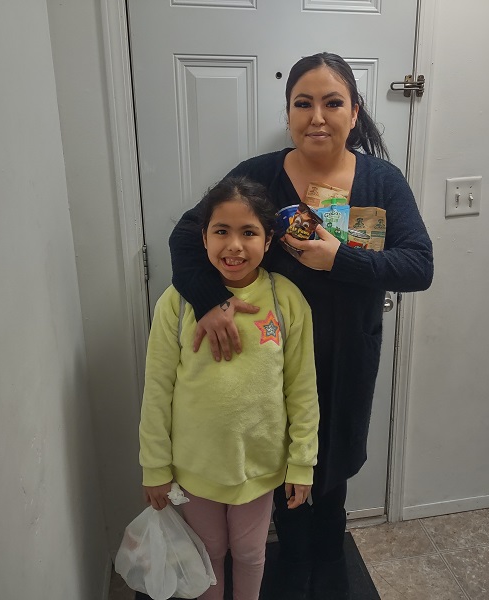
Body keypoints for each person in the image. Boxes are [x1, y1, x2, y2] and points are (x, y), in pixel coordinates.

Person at [168, 52, 434, 600]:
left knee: (331, 478)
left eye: (333, 102)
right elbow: (186, 237)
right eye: (304, 103)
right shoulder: (259, 177)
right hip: (269, 366)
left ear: (354, 112)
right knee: (282, 480)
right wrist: (211, 301)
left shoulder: (382, 182)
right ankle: (289, 572)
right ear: (288, 112)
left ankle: (328, 570)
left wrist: (342, 259)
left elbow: (419, 266)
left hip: (346, 360)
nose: (318, 116)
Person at [139, 176, 320, 600]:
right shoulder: (177, 303)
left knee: (250, 550)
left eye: (249, 232)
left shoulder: (286, 301)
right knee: (207, 551)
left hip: (258, 465)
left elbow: (302, 389)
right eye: (221, 231)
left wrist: (301, 462)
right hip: (194, 465)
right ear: (203, 237)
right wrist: (154, 466)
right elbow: (157, 388)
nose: (234, 245)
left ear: (269, 239)